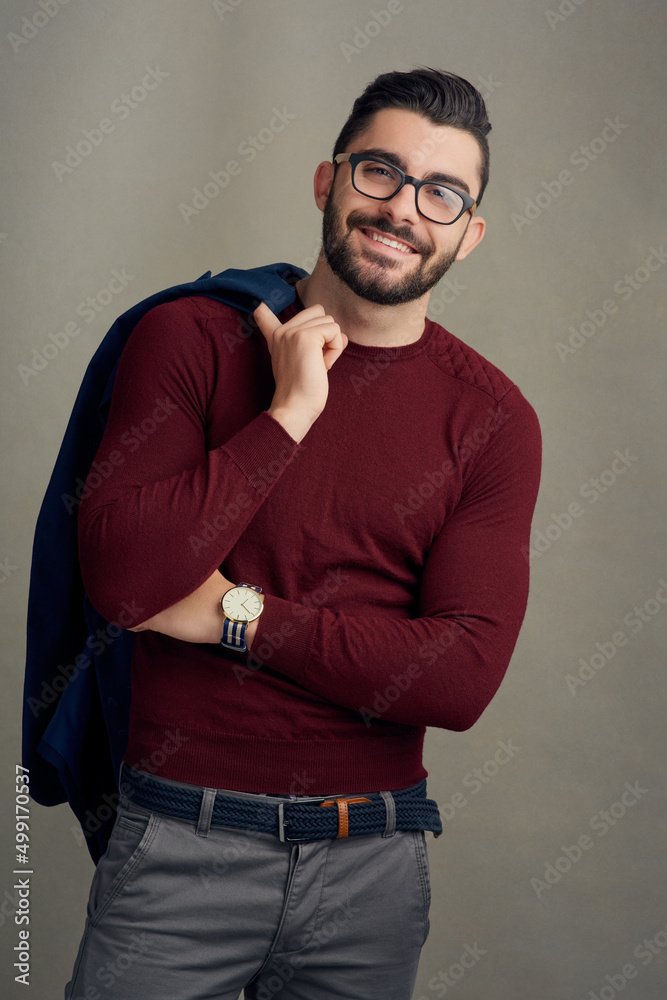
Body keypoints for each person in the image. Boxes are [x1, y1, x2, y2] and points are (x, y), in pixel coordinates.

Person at [65, 68, 541, 1000]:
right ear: (327, 183)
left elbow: (457, 677)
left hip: (372, 863)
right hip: (178, 847)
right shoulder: (191, 337)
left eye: (440, 193)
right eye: (380, 173)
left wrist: (233, 613)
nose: (403, 209)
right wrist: (288, 413)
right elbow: (124, 583)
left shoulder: (494, 418)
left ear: (469, 234)